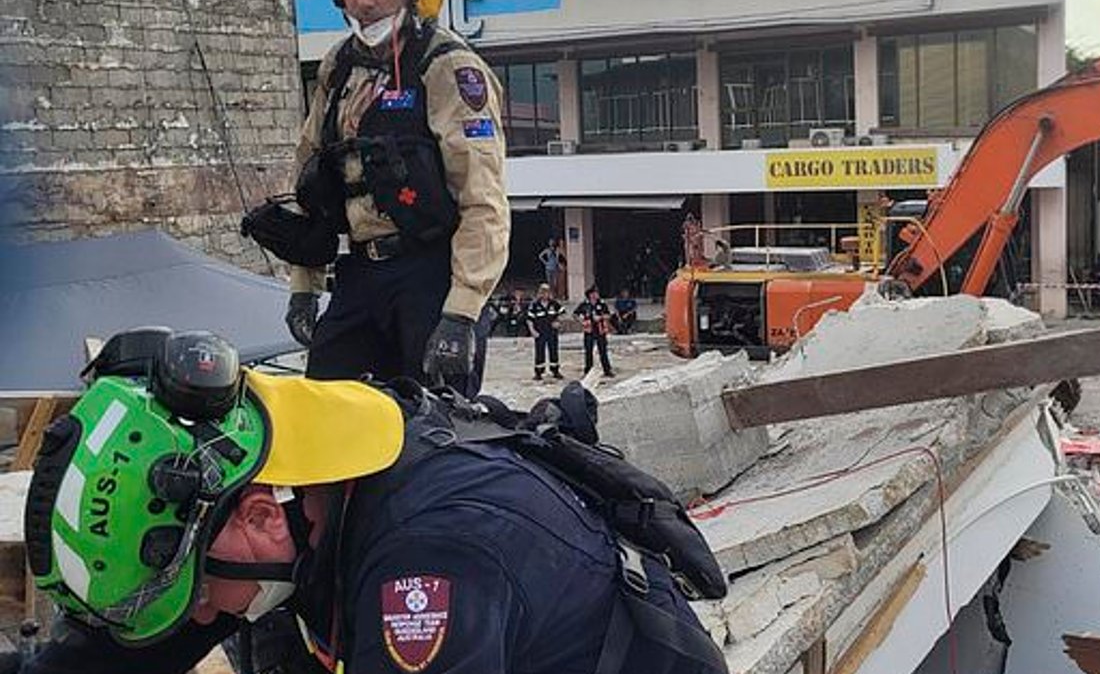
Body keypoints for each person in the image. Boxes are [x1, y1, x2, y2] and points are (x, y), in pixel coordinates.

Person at [19, 331, 727, 674]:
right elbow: (133, 646)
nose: (201, 614)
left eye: (198, 591)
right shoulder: (289, 450)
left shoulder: (427, 562)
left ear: (261, 514)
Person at [279, 0, 509, 396]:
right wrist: (304, 285)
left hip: (432, 276)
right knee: (324, 410)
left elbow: (483, 201)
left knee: (432, 437)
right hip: (360, 272)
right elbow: (312, 179)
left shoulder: (448, 68)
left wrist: (461, 314)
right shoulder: (340, 65)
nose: (364, 1)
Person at [525, 282, 564, 380]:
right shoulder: (534, 305)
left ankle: (555, 370)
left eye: (547, 292)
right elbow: (529, 319)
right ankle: (539, 372)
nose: (545, 294)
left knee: (554, 351)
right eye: (543, 292)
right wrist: (532, 331)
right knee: (539, 352)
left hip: (552, 332)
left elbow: (562, 313)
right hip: (540, 332)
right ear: (540, 293)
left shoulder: (554, 304)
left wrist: (558, 321)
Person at [575, 285, 615, 377]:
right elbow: (575, 314)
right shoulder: (584, 304)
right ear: (590, 295)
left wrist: (600, 317)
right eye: (594, 293)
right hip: (589, 330)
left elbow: (608, 315)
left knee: (603, 351)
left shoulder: (601, 303)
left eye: (597, 293)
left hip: (600, 330)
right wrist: (582, 321)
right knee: (588, 351)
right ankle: (588, 370)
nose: (596, 295)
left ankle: (607, 370)